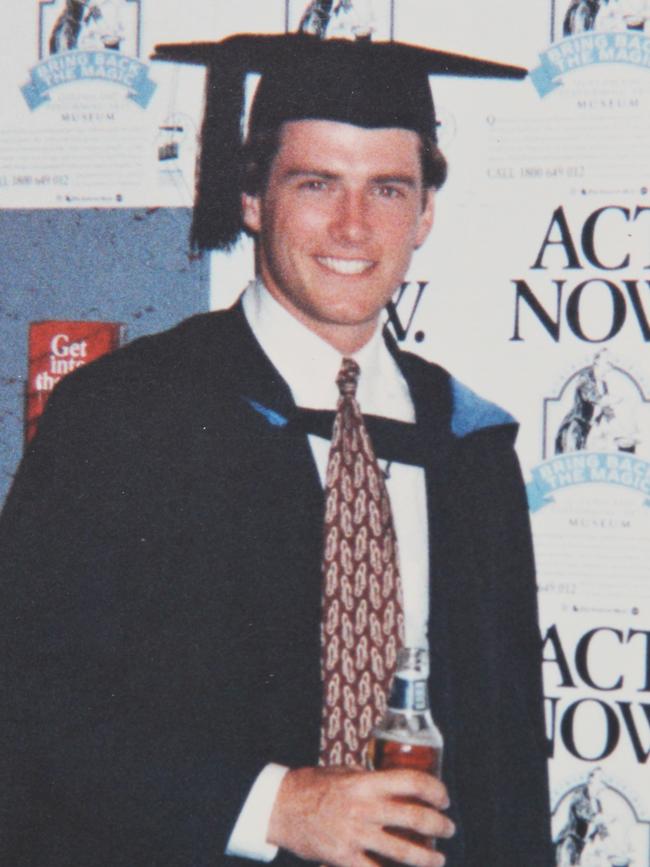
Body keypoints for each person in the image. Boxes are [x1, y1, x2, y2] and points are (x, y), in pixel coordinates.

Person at [0, 33, 552, 867]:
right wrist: (274, 805)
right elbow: (27, 701)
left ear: (426, 215)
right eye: (317, 182)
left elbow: (510, 766)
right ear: (252, 196)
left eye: (389, 189)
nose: (354, 226)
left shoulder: (470, 444)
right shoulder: (124, 417)